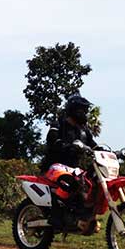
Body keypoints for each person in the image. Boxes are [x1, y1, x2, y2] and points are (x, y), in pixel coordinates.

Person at [42, 94, 99, 235]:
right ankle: (55, 216)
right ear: (73, 109)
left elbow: (94, 146)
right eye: (81, 110)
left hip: (74, 168)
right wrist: (66, 146)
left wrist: (108, 151)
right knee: (67, 182)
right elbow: (51, 140)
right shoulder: (58, 124)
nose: (84, 114)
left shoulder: (84, 131)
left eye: (85, 111)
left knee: (90, 184)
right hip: (55, 165)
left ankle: (81, 216)